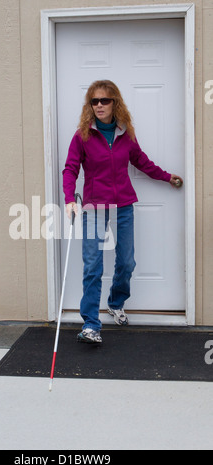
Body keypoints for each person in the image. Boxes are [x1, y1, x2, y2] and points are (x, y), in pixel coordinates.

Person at [62, 80, 183, 344]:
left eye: (105, 100)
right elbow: (70, 168)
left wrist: (166, 177)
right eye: (94, 101)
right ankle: (91, 325)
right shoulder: (82, 135)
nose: (99, 106)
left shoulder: (125, 133)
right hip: (94, 205)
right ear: (89, 106)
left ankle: (116, 303)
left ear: (115, 102)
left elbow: (140, 160)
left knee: (127, 261)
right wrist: (69, 198)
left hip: (124, 205)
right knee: (92, 265)